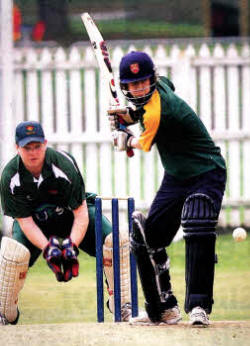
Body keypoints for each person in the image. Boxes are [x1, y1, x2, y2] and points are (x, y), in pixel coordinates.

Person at [108, 51, 227, 326]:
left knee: (197, 221)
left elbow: (143, 143)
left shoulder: (158, 112)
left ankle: (199, 306)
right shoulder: (160, 88)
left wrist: (124, 138)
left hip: (207, 171)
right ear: (125, 86)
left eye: (143, 82)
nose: (139, 88)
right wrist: (129, 117)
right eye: (133, 84)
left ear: (152, 80)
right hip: (177, 175)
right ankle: (163, 309)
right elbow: (151, 104)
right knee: (147, 237)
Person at [0, 121, 132, 325]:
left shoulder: (63, 164)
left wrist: (70, 247)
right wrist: (49, 248)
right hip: (36, 223)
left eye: (37, 146)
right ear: (17, 147)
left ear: (45, 144)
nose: (33, 152)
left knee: (115, 240)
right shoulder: (10, 176)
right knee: (13, 252)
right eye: (27, 147)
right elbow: (24, 222)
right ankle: (5, 314)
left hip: (72, 216)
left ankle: (121, 304)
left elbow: (80, 214)